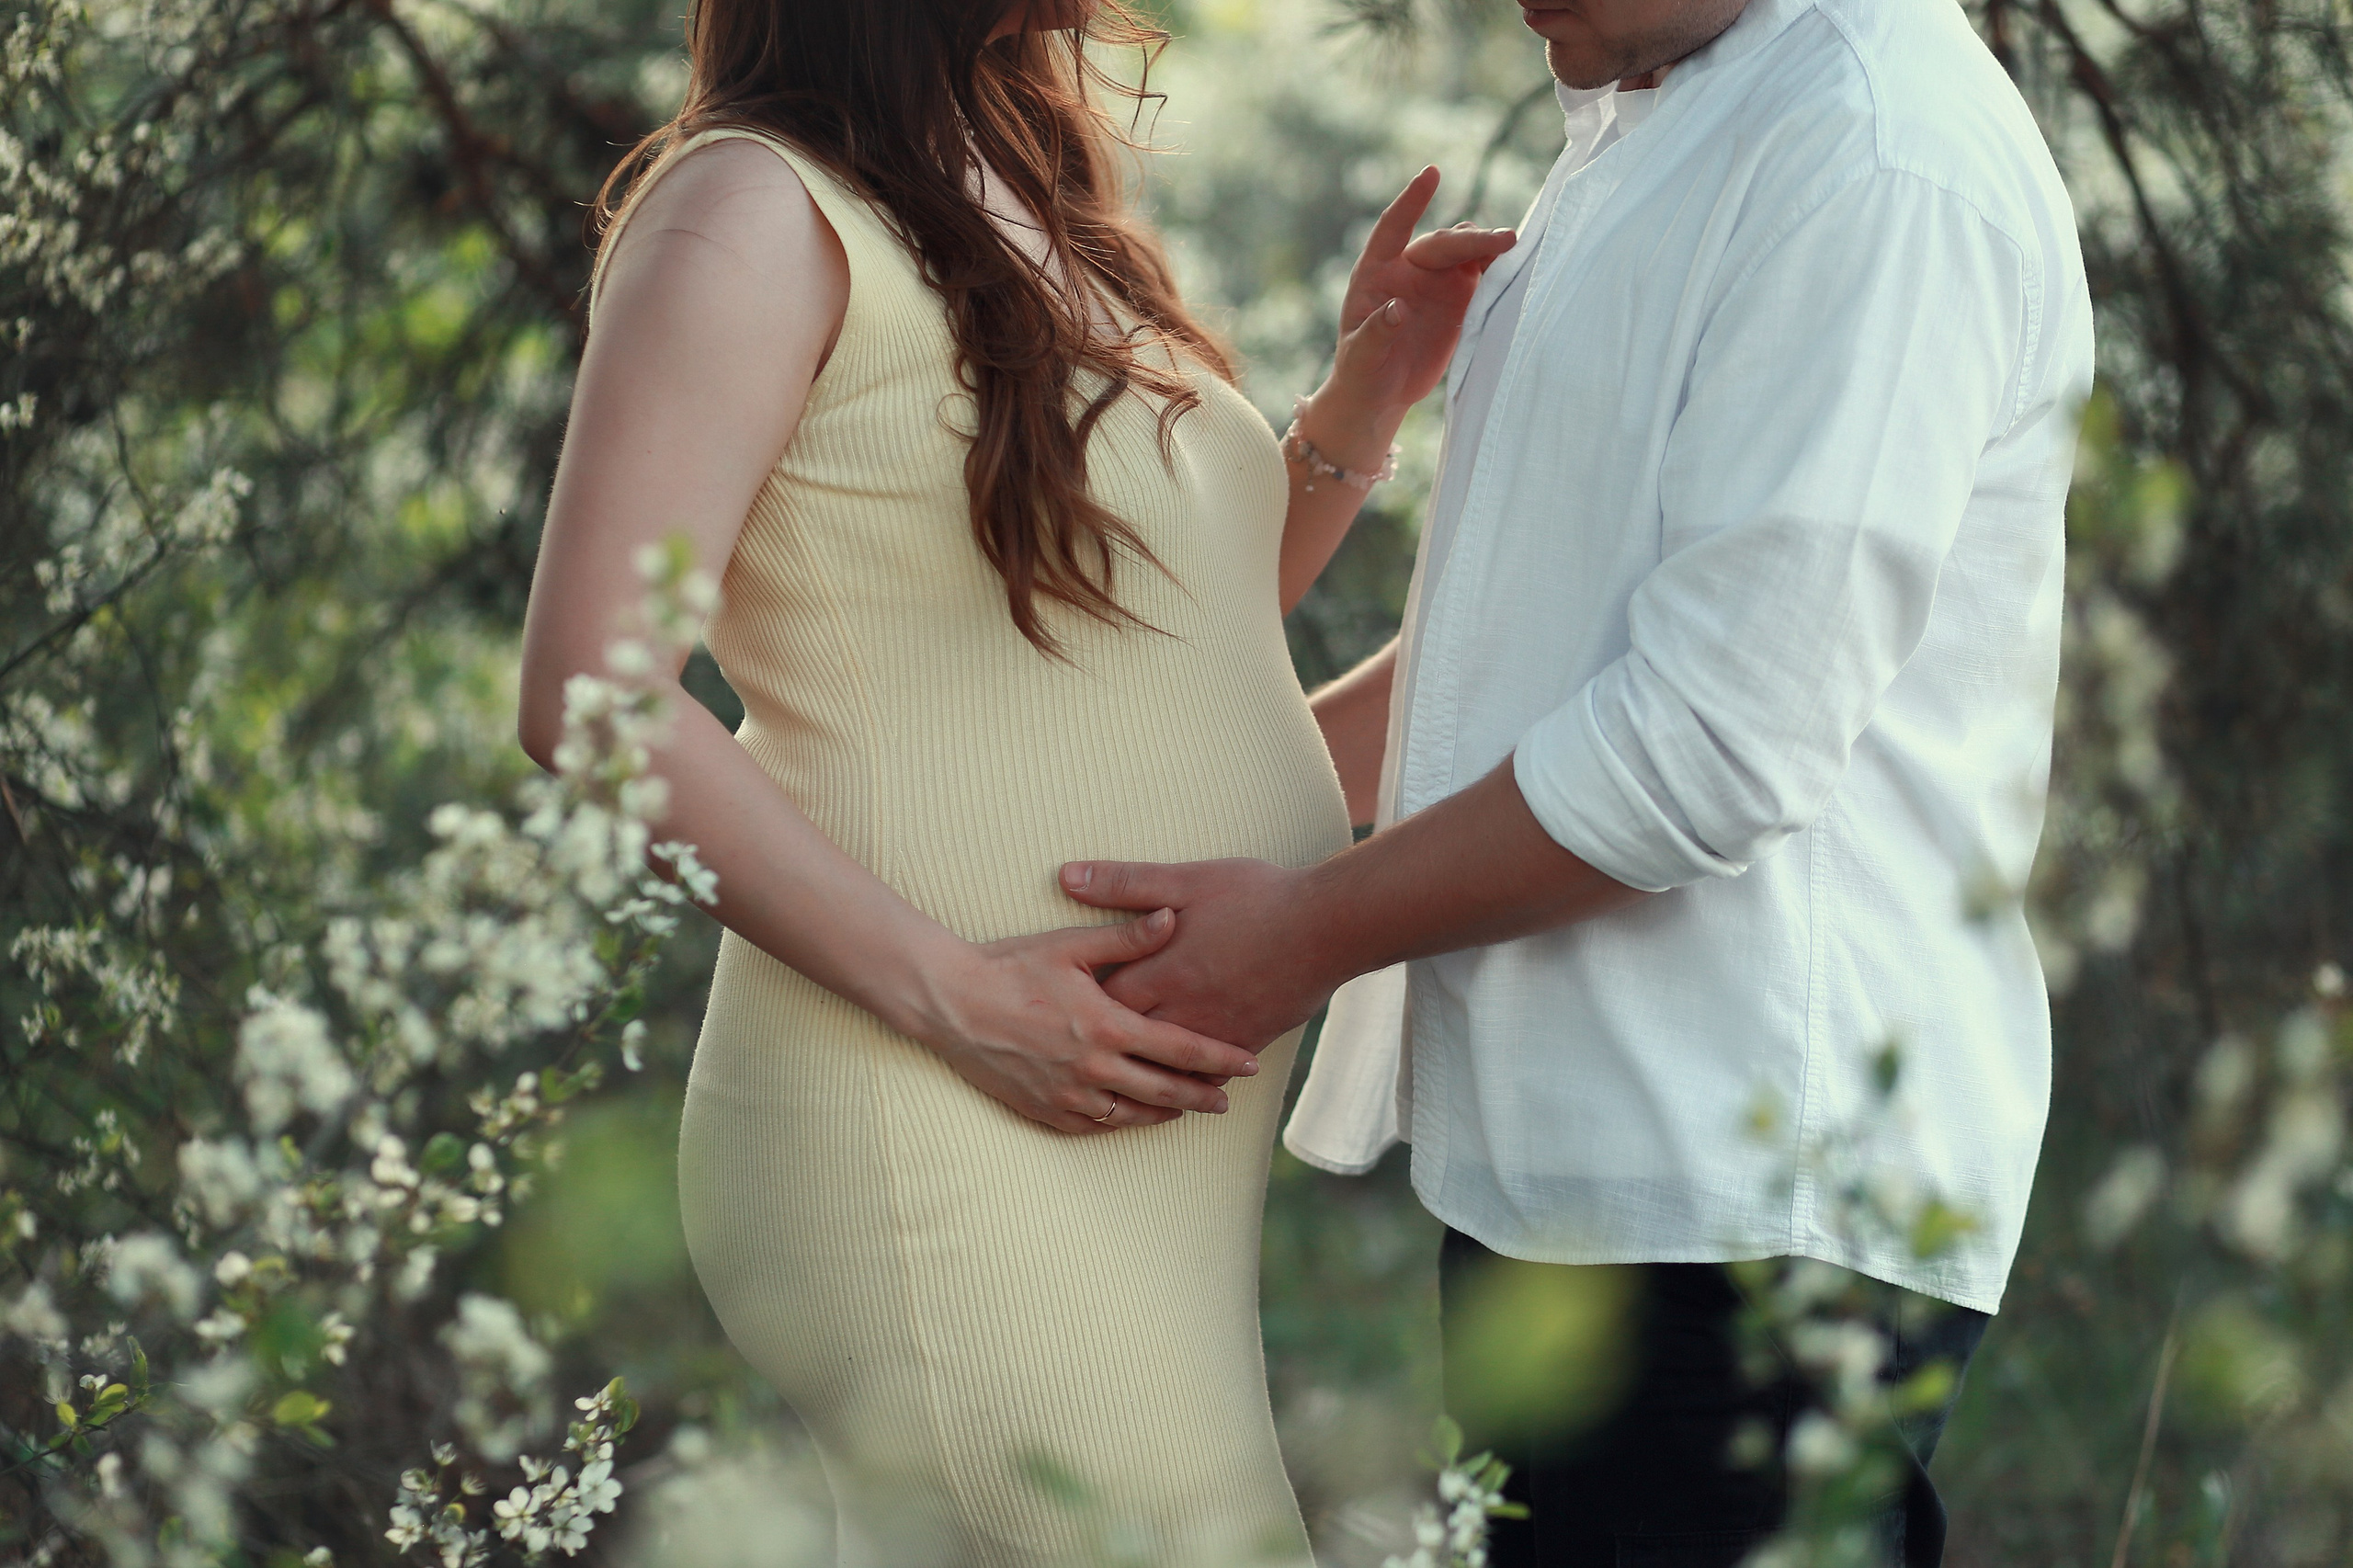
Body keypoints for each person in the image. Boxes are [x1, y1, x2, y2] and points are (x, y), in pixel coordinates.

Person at [1056, 0, 2096, 1561]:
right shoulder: (1659, 117)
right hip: (1584, 1182)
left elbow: (1708, 744)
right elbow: (1536, 659)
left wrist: (1295, 935)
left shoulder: (1876, 153)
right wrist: (1162, 826)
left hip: (1744, 1203)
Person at [514, 1, 1513, 1562]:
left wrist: (1363, 402)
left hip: (1109, 1144)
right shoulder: (750, 209)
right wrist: (962, 1001)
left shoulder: (1010, 177)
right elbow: (591, 683)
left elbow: (1164, 639)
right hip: (929, 1105)